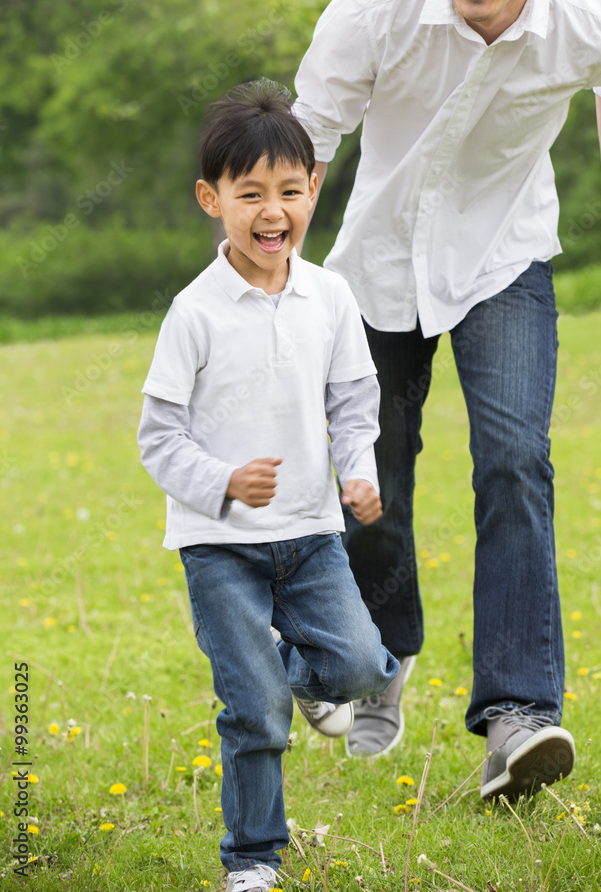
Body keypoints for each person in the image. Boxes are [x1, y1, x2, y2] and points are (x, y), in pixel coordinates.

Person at [292, 0, 601, 798]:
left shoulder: (589, 17)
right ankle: (382, 652)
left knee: (515, 461)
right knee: (370, 476)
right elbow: (312, 138)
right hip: (376, 265)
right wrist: (276, 278)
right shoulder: (375, 9)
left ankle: (518, 715)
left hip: (504, 258)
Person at [137, 79, 399, 892]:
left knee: (361, 668)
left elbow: (354, 405)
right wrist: (221, 482)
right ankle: (253, 858)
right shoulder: (194, 312)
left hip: (313, 535)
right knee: (252, 711)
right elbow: (157, 437)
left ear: (314, 188)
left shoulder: (331, 296)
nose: (271, 210)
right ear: (211, 199)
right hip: (220, 547)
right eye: (249, 194)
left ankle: (292, 680)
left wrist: (357, 472)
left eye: (288, 190)